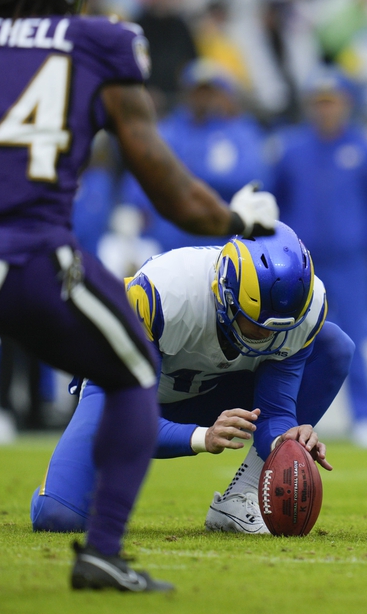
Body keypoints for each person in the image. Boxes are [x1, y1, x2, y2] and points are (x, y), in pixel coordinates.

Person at [0, 0, 277, 590]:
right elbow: (170, 191)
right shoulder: (98, 43)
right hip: (32, 258)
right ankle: (103, 553)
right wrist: (237, 217)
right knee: (135, 372)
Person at [31, 223, 349, 535]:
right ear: (225, 294)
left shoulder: (304, 311)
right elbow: (127, 419)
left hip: (209, 392)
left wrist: (285, 443)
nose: (267, 337)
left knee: (332, 348)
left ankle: (243, 495)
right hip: (124, 400)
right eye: (255, 324)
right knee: (58, 515)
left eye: (280, 328)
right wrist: (203, 436)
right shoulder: (162, 293)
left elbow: (276, 412)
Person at [273, 71, 367, 448]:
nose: (326, 110)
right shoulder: (292, 149)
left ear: (346, 104)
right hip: (302, 265)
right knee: (291, 340)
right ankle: (285, 420)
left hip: (350, 262)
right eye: (320, 102)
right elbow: (275, 200)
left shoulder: (363, 147)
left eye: (332, 101)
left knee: (356, 336)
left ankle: (366, 417)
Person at [122, 60, 270, 251]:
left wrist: (184, 174)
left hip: (226, 244)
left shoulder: (241, 132)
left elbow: (254, 179)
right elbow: (137, 186)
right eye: (198, 91)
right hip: (172, 245)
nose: (203, 98)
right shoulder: (167, 131)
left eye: (210, 91)